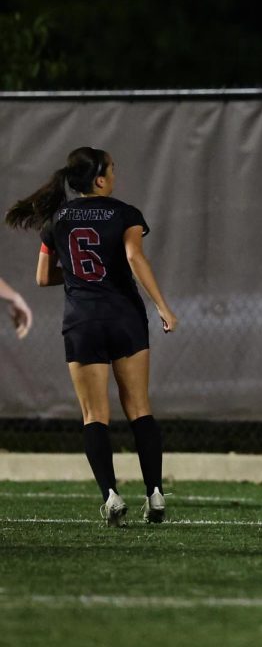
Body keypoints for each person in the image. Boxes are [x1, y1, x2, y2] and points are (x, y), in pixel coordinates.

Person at [5, 147, 177, 526]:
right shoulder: (126, 213)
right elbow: (134, 257)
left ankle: (111, 496)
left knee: (94, 415)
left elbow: (42, 277)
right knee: (139, 409)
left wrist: (81, 276)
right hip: (125, 318)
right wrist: (163, 306)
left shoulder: (57, 219)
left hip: (82, 321)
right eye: (112, 169)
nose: (116, 174)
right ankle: (155, 492)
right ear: (99, 179)